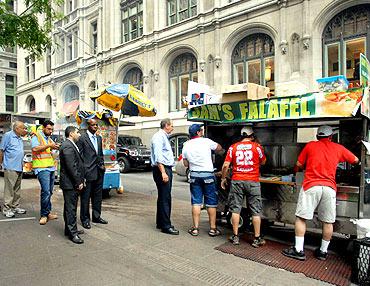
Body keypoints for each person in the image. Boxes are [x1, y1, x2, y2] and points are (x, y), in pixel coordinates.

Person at [282, 125, 359, 261]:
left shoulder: (310, 146)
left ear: (317, 136)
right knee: (328, 222)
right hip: (329, 188)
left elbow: (299, 164)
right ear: (331, 137)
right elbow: (356, 160)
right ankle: (323, 252)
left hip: (311, 186)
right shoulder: (338, 148)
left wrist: (296, 169)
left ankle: (299, 250)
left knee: (301, 218)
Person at [221, 126, 266, 247]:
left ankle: (235, 236)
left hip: (237, 181)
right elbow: (263, 161)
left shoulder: (233, 147)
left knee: (235, 209)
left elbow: (225, 165)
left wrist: (223, 178)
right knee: (255, 211)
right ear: (252, 136)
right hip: (253, 181)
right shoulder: (257, 147)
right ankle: (257, 238)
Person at [182, 124, 223, 237]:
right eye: (201, 130)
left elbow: (185, 164)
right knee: (211, 203)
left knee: (196, 202)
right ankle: (213, 229)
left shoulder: (186, 145)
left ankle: (195, 229)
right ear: (198, 132)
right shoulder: (206, 141)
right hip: (208, 176)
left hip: (194, 175)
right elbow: (219, 147)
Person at [77, 118, 107, 229]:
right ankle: (85, 219)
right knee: (86, 197)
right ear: (88, 126)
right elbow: (80, 156)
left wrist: (102, 165)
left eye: (96, 125)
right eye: (93, 125)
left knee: (98, 196)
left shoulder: (99, 138)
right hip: (87, 172)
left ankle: (96, 216)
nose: (96, 127)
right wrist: (82, 173)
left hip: (99, 171)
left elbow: (100, 154)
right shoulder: (82, 138)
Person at [150, 118, 178, 235]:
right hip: (162, 168)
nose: (173, 128)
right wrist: (163, 172)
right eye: (171, 125)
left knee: (163, 196)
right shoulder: (159, 137)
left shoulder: (163, 136)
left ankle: (161, 222)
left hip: (164, 168)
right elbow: (158, 156)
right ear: (166, 125)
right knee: (165, 197)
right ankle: (166, 226)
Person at [59, 126, 85, 244]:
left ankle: (69, 229)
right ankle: (72, 233)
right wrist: (78, 181)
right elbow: (71, 167)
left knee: (70, 207)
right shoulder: (67, 146)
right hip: (70, 183)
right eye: (77, 132)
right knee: (71, 208)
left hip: (71, 182)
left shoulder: (70, 145)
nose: (79, 134)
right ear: (71, 134)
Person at [32, 120, 60, 225]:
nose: (50, 131)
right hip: (42, 168)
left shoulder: (48, 138)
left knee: (50, 192)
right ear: (43, 128)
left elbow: (50, 152)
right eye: (49, 129)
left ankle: (48, 213)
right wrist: (49, 146)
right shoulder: (36, 136)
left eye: (52, 129)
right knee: (46, 192)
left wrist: (55, 148)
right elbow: (35, 148)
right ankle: (44, 215)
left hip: (51, 168)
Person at [0, 121, 28, 218]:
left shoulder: (19, 138)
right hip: (10, 166)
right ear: (17, 128)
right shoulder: (8, 136)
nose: (25, 130)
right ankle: (6, 209)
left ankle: (15, 206)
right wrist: (1, 163)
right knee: (9, 190)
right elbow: (1, 150)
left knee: (16, 189)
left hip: (19, 167)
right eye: (23, 128)